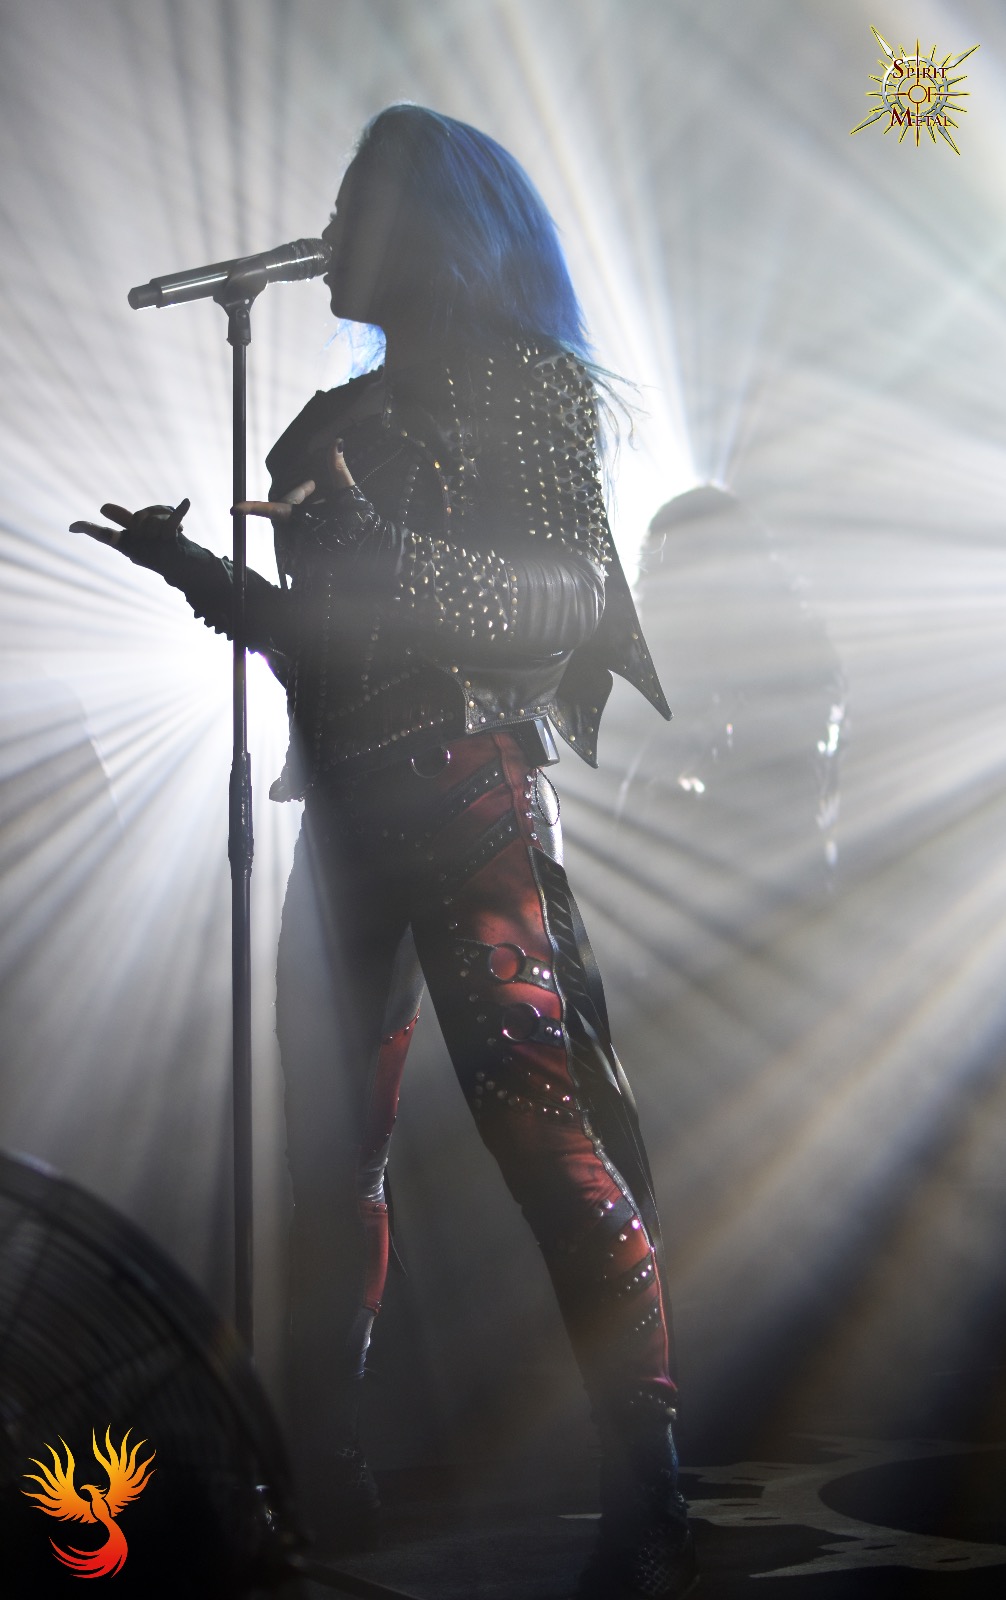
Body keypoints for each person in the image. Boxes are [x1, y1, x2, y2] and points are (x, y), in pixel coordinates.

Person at [71, 105, 695, 1600]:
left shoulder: (531, 393)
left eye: (358, 201)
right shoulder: (321, 431)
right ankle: (328, 1476)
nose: (332, 230)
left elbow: (561, 601)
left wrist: (384, 545)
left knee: (540, 1135)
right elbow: (319, 646)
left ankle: (650, 1487)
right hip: (346, 816)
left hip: (473, 799)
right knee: (329, 1158)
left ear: (431, 227)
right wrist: (193, 567)